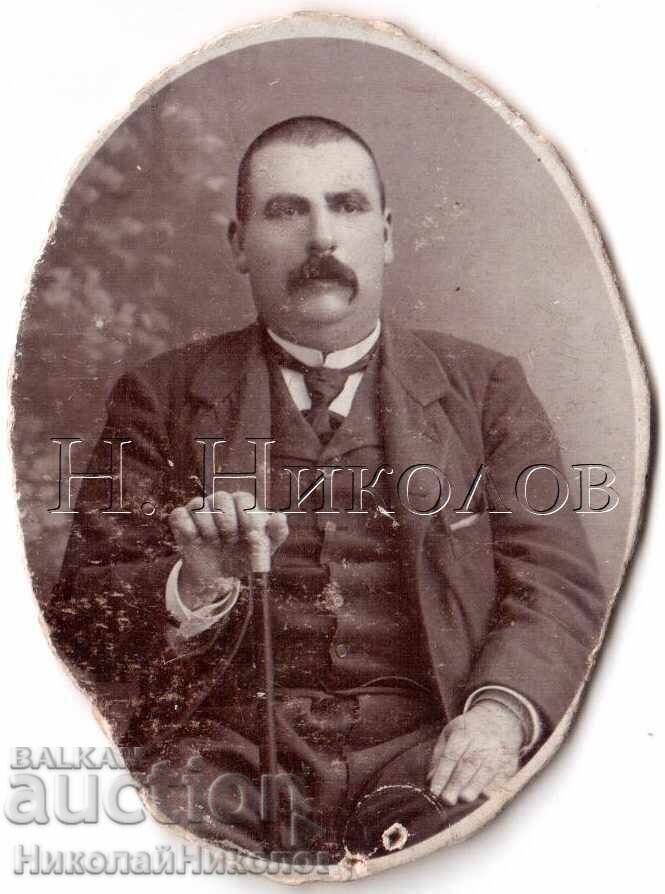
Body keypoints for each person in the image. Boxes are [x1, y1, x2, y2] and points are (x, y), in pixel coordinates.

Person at [47, 116, 606, 859]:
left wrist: (497, 715)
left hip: (430, 746)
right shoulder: (160, 398)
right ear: (238, 243)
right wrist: (192, 584)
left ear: (386, 233)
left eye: (345, 206)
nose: (321, 239)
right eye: (286, 210)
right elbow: (84, 617)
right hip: (223, 762)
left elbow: (554, 585)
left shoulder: (484, 391)